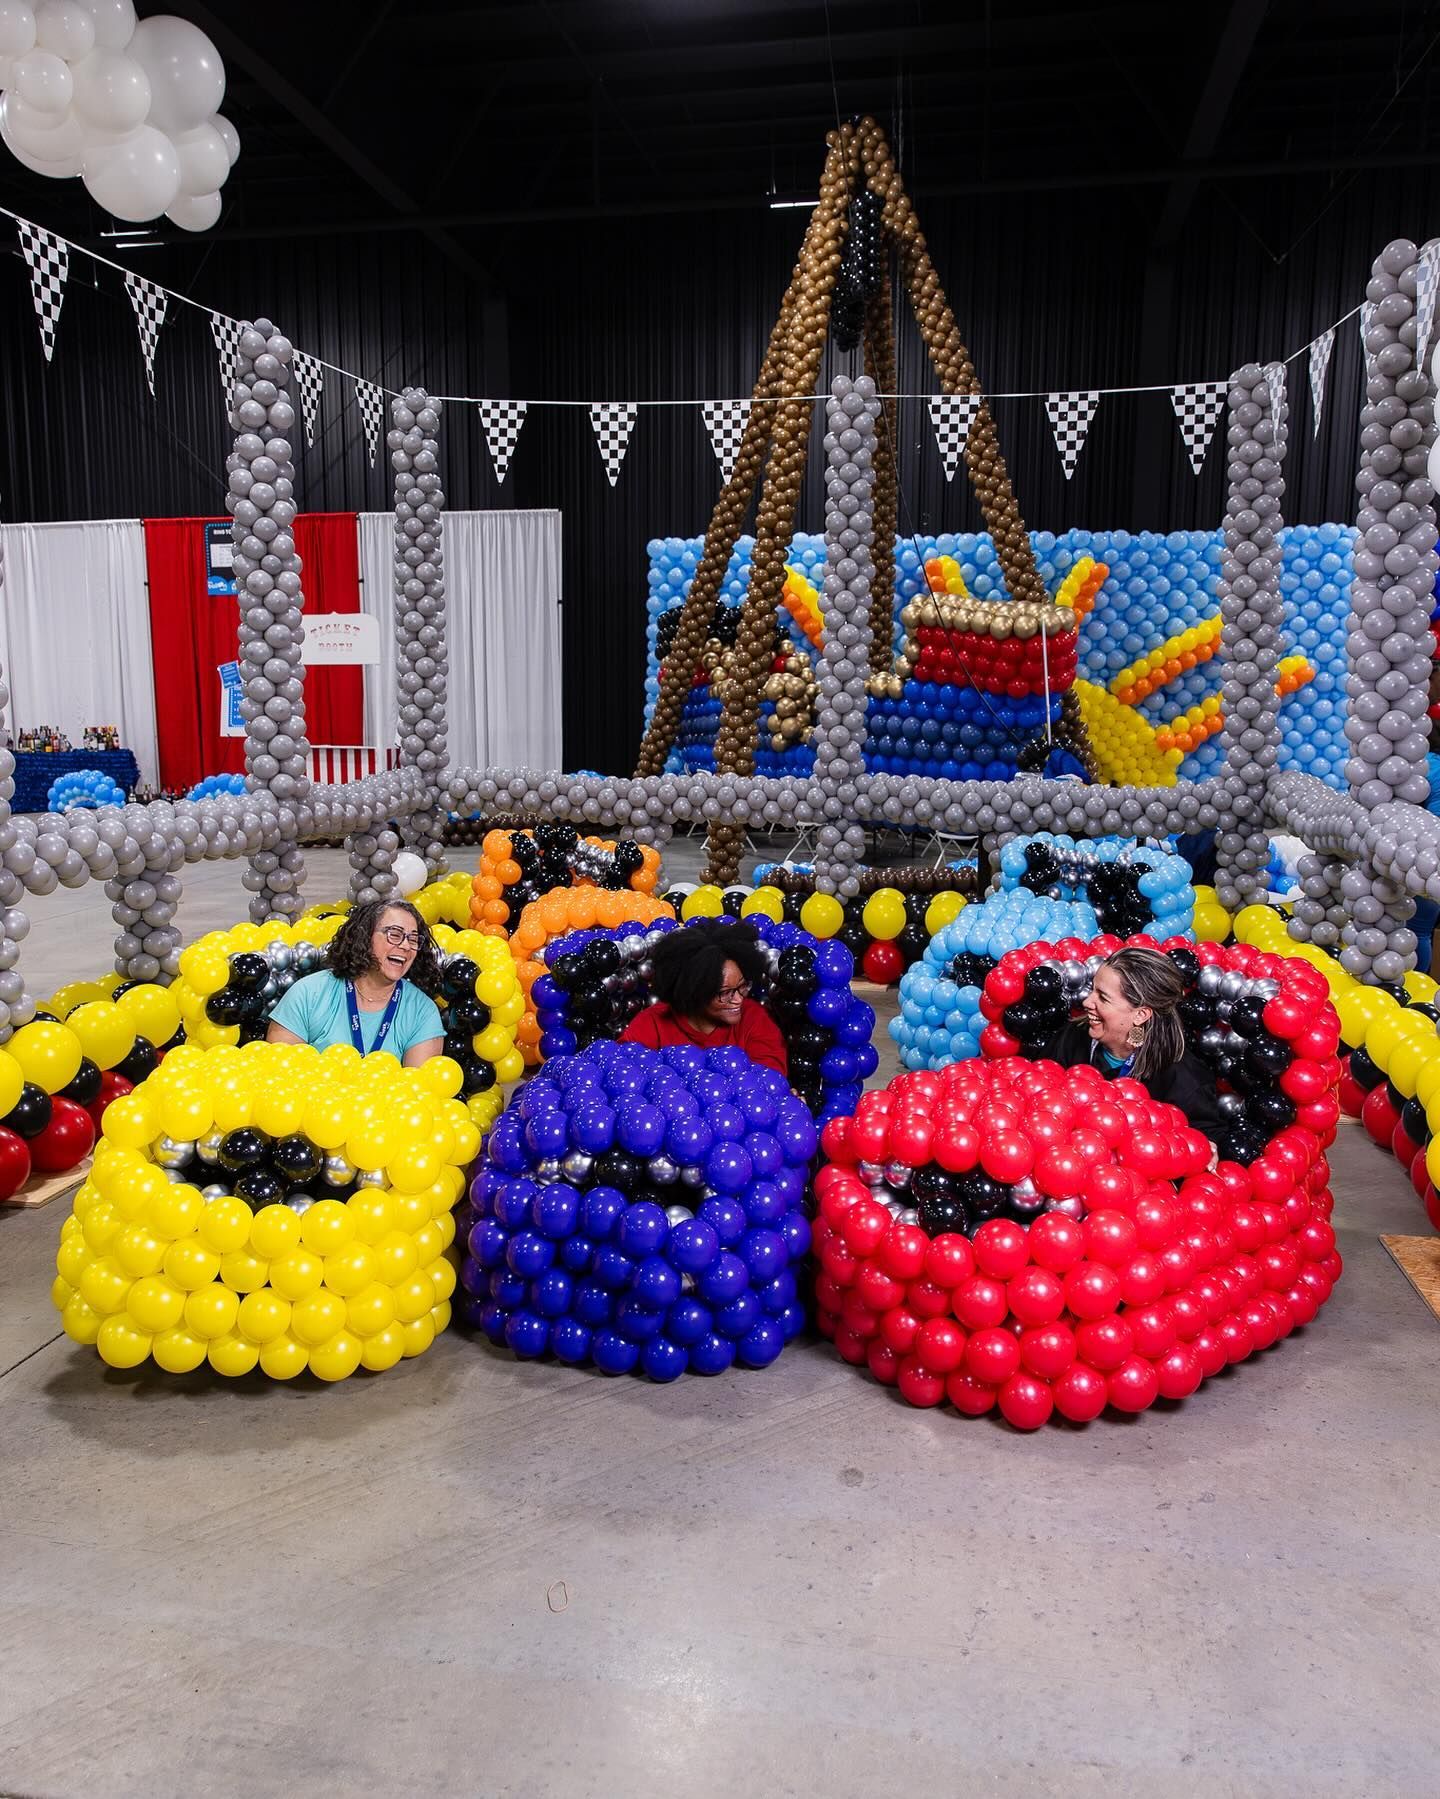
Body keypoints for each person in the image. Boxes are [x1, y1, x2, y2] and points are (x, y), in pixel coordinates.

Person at [1029, 945, 1222, 1140]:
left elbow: (1203, 1139)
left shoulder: (1184, 1078)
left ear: (1141, 1015)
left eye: (1103, 997)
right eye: (1092, 989)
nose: (1087, 1002)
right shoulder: (1072, 1035)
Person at [267, 898, 445, 1065]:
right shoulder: (308, 993)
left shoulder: (423, 1011)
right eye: (395, 934)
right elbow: (282, 1072)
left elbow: (417, 1084)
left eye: (413, 939)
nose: (406, 946)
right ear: (365, 936)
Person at [620, 920, 789, 1074]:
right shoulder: (651, 1023)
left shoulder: (754, 1018)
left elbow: (770, 1081)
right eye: (724, 992)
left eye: (742, 986)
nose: (738, 999)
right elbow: (622, 1073)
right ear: (694, 992)